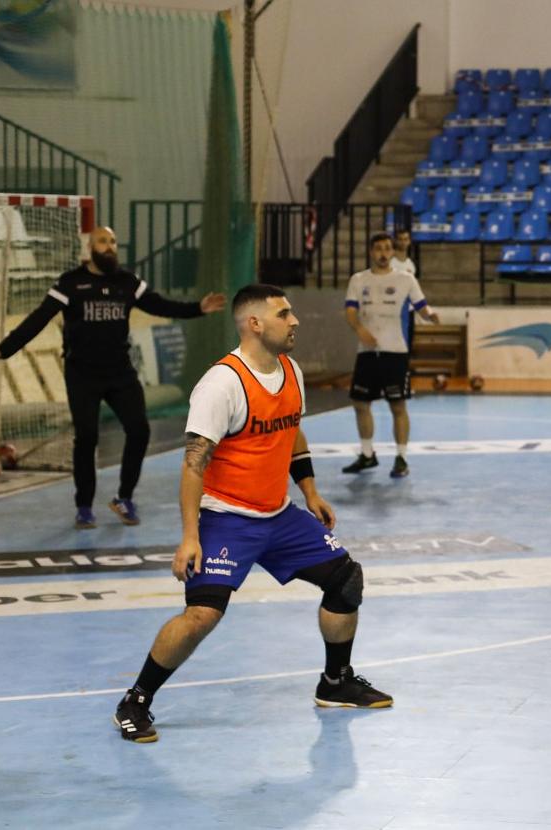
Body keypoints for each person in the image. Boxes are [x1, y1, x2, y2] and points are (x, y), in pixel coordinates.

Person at [113, 284, 392, 744]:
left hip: (279, 515)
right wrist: (189, 536)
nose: (295, 321)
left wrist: (310, 491)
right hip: (227, 518)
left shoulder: (291, 370)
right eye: (284, 314)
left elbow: (292, 433)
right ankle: (136, 699)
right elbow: (193, 464)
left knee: (345, 580)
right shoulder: (222, 384)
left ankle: (336, 682)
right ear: (255, 324)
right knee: (202, 615)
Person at [0, 226, 225, 529]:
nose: (109, 246)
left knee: (139, 430)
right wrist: (2, 350)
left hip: (120, 373)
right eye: (103, 241)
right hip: (82, 374)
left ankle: (125, 497)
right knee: (87, 438)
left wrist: (198, 308)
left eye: (113, 242)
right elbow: (37, 320)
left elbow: (160, 305)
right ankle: (84, 506)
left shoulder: (127, 282)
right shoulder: (70, 284)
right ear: (90, 248)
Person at [341, 233, 440, 478]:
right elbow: (351, 311)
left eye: (387, 249)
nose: (383, 253)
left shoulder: (406, 279)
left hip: (395, 351)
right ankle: (367, 455)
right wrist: (359, 329)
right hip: (367, 353)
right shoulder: (358, 279)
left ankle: (401, 458)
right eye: (378, 249)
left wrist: (430, 315)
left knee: (398, 405)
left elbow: (421, 307)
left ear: (392, 253)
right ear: (371, 252)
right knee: (360, 403)